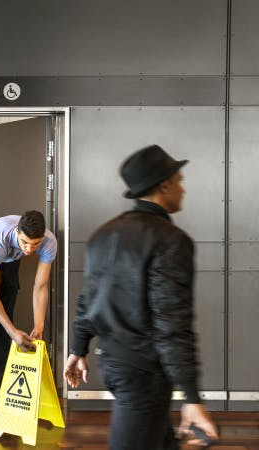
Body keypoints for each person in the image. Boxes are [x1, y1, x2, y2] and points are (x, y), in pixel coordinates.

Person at [64, 144, 218, 449]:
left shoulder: (104, 234)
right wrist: (191, 396)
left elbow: (89, 299)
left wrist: (78, 349)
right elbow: (172, 324)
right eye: (180, 181)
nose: (183, 189)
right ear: (165, 184)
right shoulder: (171, 241)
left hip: (112, 363)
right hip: (143, 375)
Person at [0, 210, 57, 411]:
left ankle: (4, 384)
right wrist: (13, 332)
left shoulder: (49, 242)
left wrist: (39, 325)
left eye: (35, 245)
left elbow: (41, 286)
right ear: (17, 231)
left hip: (10, 260)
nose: (29, 250)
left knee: (6, 320)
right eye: (25, 242)